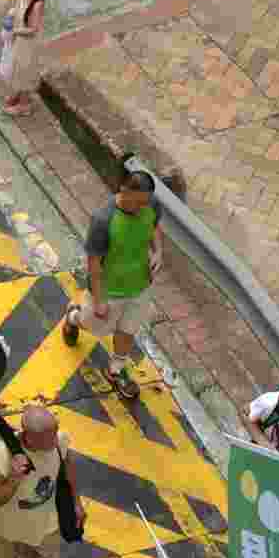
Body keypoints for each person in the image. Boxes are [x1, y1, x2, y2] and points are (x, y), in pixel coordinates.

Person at [61, 170, 162, 399]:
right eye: (137, 203)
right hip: (109, 290)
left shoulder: (150, 204)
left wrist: (159, 251)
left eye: (145, 203)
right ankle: (73, 317)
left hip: (141, 286)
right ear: (124, 190)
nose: (141, 209)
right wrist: (99, 299)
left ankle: (116, 370)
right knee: (94, 325)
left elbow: (155, 226)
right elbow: (94, 265)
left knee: (128, 329)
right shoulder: (103, 221)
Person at [0, 405, 84, 558]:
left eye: (55, 433)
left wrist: (76, 501)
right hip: (8, 528)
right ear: (29, 438)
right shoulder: (1, 454)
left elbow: (67, 463)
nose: (56, 441)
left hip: (46, 525)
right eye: (49, 439)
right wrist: (15, 478)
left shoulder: (59, 440)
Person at [0, 0, 46, 116]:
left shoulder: (37, 5)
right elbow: (18, 9)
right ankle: (17, 94)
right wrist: (11, 16)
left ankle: (24, 105)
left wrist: (15, 31)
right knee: (16, 69)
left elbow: (33, 29)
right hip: (18, 41)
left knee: (24, 72)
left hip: (27, 44)